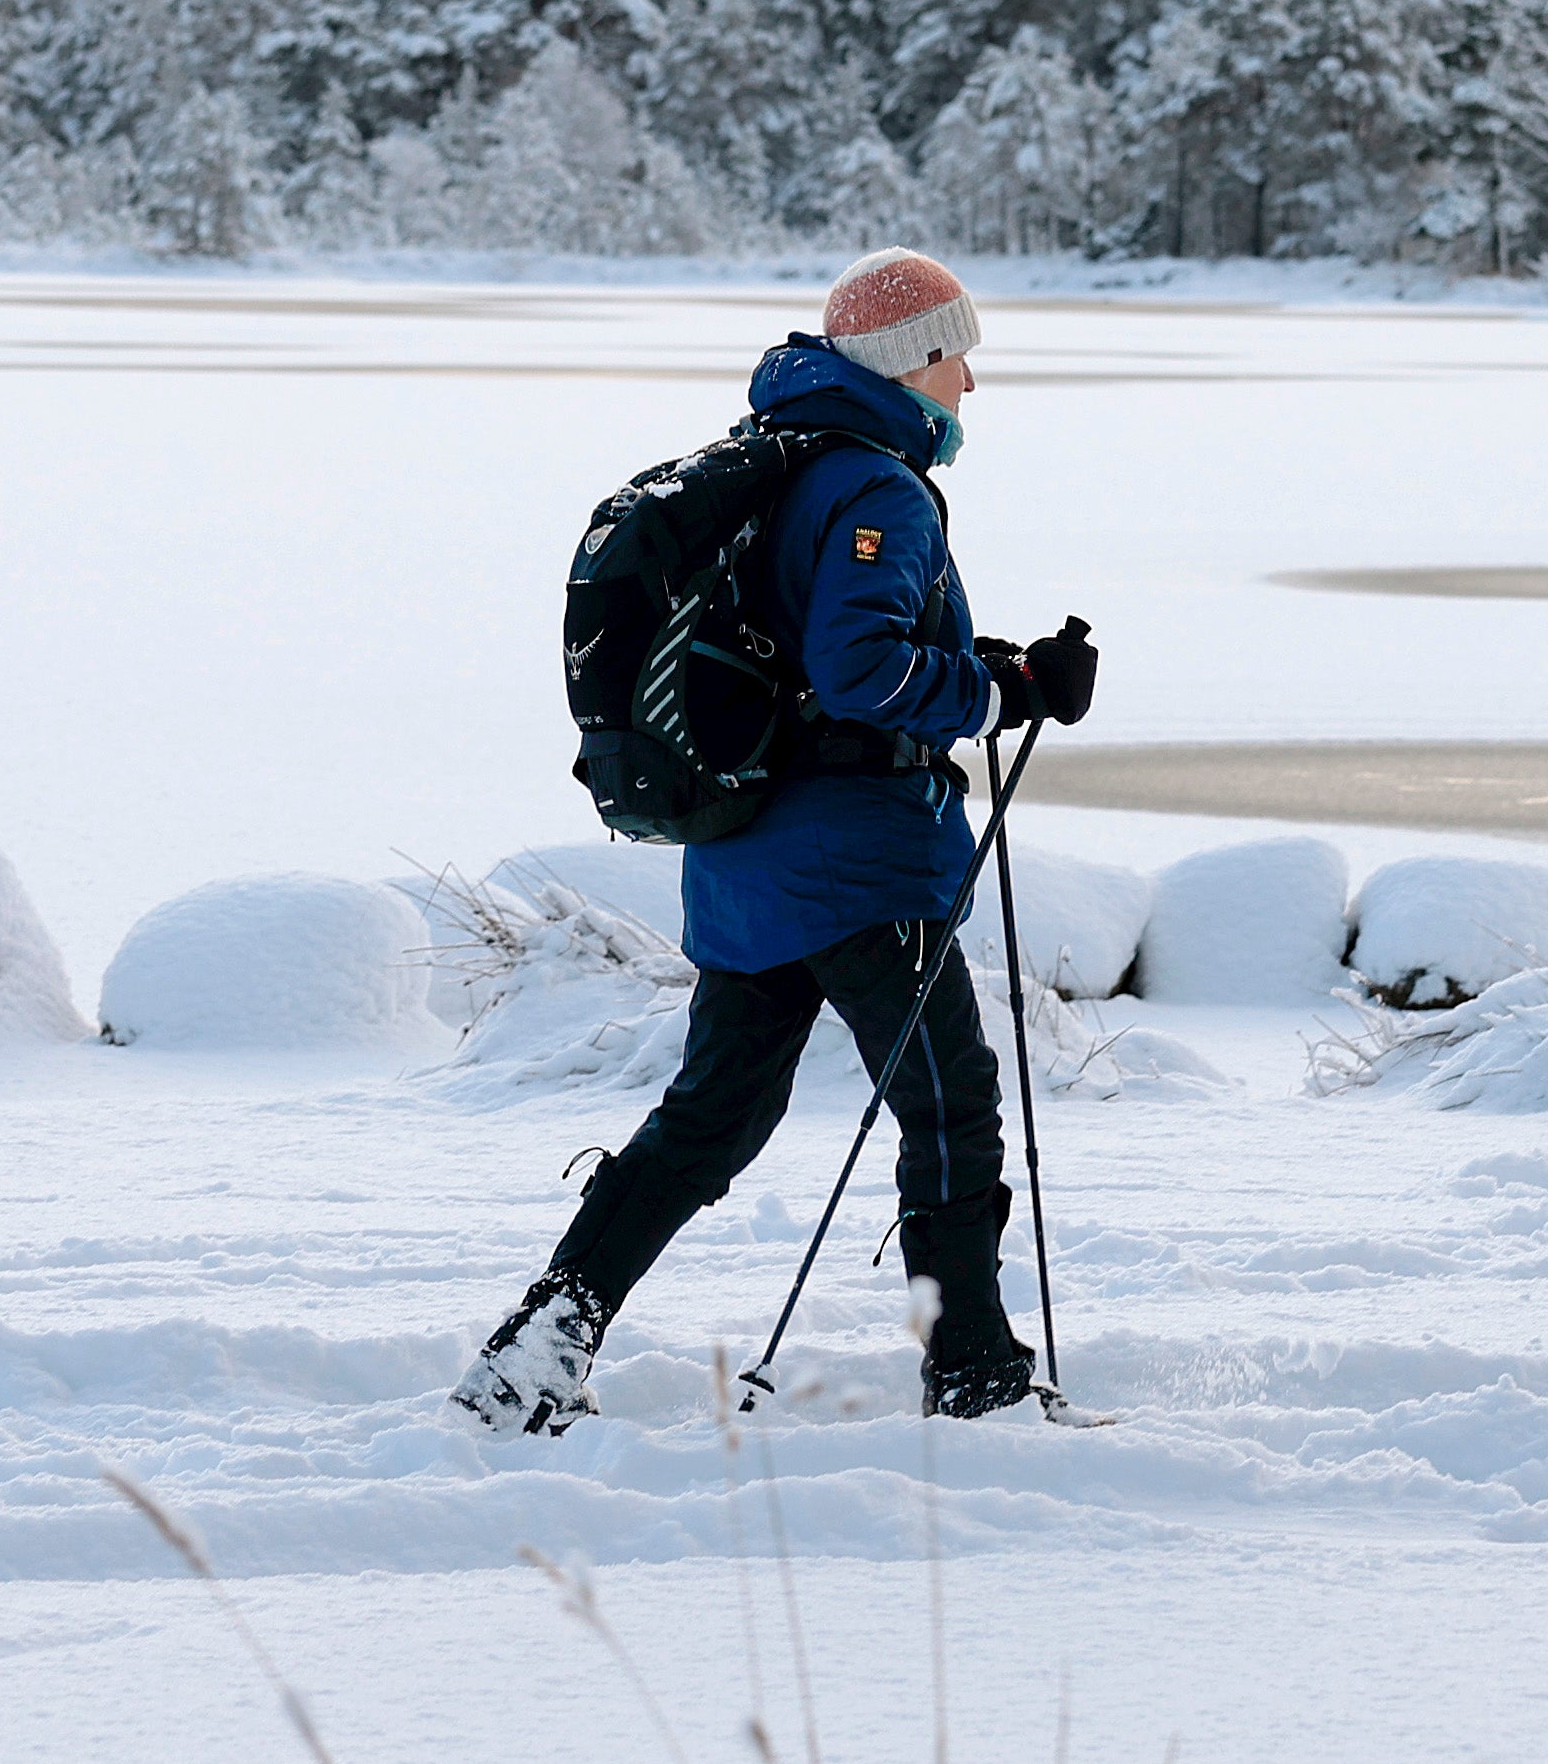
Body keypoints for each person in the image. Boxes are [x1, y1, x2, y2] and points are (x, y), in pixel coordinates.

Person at [465, 248, 1094, 1433]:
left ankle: (534, 1353)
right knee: (950, 1110)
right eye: (957, 353)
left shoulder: (779, 464)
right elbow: (857, 672)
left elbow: (811, 654)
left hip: (745, 859)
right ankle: (974, 1376)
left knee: (711, 1118)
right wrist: (1000, 696)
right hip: (857, 863)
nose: (970, 381)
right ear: (911, 361)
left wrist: (995, 668)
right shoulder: (881, 489)